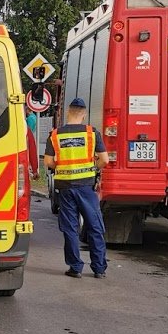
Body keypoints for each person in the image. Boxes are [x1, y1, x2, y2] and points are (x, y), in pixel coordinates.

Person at [43, 97, 109, 278]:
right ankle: (99, 268)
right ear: (84, 114)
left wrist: (63, 166)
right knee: (94, 226)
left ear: (67, 113)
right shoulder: (91, 133)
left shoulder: (55, 134)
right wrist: (92, 168)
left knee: (70, 228)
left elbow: (48, 162)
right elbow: (105, 160)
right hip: (86, 187)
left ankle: (75, 267)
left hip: (65, 188)